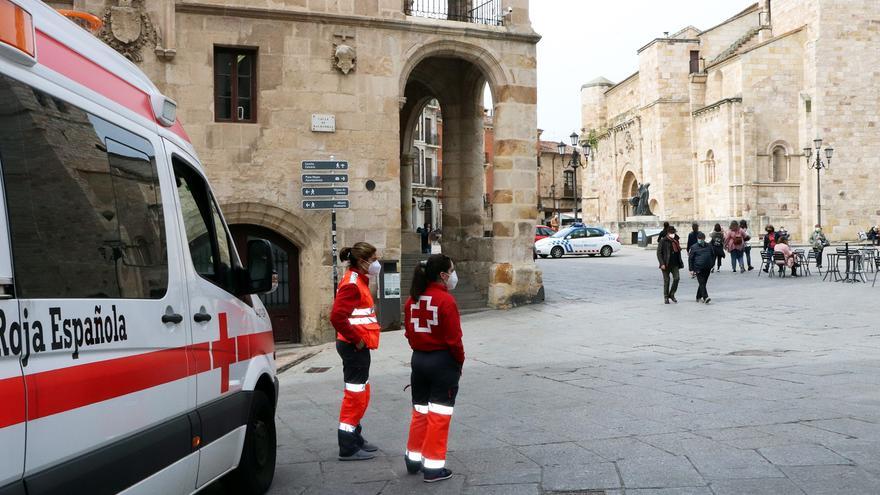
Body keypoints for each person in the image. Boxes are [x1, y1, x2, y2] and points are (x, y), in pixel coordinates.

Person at [403, 254, 464, 483]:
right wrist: (458, 362)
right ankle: (434, 468)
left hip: (418, 360)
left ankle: (413, 459)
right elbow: (454, 339)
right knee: (439, 414)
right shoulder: (445, 301)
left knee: (420, 411)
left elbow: (409, 333)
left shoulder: (412, 300)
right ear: (443, 275)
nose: (453, 275)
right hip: (442, 362)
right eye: (452, 270)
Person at [329, 242, 382, 461]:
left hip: (357, 346)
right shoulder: (353, 283)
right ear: (362, 261)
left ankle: (355, 437)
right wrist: (357, 340)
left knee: (361, 392)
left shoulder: (357, 279)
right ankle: (348, 446)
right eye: (374, 258)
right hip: (354, 347)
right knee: (355, 395)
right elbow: (337, 317)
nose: (376, 262)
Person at [657, 226, 684, 304]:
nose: (673, 234)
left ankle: (671, 294)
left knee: (677, 278)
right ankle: (666, 297)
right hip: (666, 264)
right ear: (668, 233)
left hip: (675, 264)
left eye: (674, 233)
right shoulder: (663, 241)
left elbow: (678, 252)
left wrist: (680, 262)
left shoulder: (676, 240)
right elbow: (659, 253)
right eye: (671, 233)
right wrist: (662, 263)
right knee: (667, 280)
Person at [688, 232, 715, 304]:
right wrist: (691, 269)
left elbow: (713, 255)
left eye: (701, 239)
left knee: (703, 283)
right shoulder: (694, 247)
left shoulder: (709, 246)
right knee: (702, 283)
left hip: (707, 267)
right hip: (698, 268)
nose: (700, 240)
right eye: (699, 239)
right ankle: (705, 297)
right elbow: (690, 259)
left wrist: (712, 265)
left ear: (704, 239)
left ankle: (698, 297)